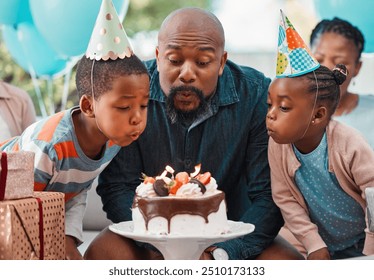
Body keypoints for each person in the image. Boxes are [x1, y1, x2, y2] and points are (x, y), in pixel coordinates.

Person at [84, 7, 304, 260]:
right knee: (103, 252)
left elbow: (268, 196)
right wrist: (157, 246)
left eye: (202, 62)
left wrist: (222, 254)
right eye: (175, 60)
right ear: (158, 56)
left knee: (288, 263)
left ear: (221, 62)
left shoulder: (256, 96)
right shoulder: (129, 92)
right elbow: (118, 187)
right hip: (147, 234)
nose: (187, 74)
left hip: (232, 234)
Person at [0, 0, 150, 260]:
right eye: (125, 107)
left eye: (144, 105)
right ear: (88, 106)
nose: (137, 118)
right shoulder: (50, 145)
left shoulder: (112, 142)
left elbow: (75, 192)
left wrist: (68, 240)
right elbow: (17, 206)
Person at [267, 63, 374, 259]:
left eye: (283, 107)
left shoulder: (350, 143)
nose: (270, 114)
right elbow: (285, 198)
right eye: (269, 104)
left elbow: (373, 194)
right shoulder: (277, 145)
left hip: (363, 241)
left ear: (318, 115)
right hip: (320, 243)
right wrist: (313, 244)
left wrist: (370, 250)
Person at [310, 17, 374, 148]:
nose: (327, 70)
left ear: (357, 67)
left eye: (340, 62)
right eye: (319, 59)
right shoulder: (290, 113)